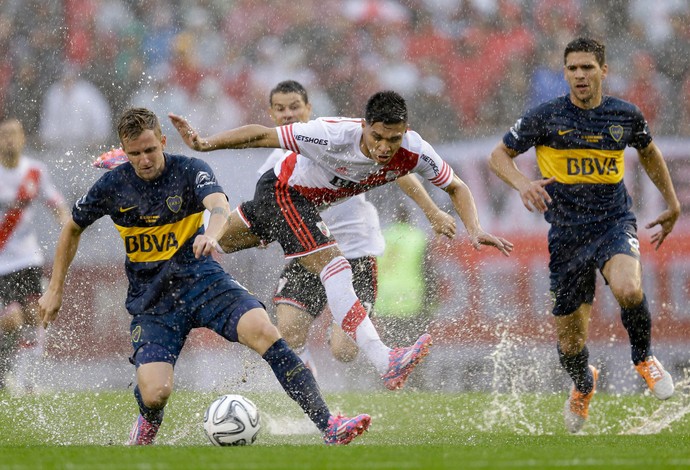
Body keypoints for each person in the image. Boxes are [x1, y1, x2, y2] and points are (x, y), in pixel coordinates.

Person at [38, 108, 370, 446]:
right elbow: (72, 228)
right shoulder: (112, 185)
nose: (145, 160)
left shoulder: (190, 170)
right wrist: (55, 289)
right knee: (156, 393)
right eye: (134, 154)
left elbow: (219, 206)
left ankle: (329, 425)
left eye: (150, 150)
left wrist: (212, 234)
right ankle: (147, 421)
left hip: (202, 281)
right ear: (124, 152)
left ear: (163, 142)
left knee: (264, 330)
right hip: (153, 301)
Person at [169, 90, 513, 391]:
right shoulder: (328, 134)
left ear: (404, 133)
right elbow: (261, 135)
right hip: (284, 192)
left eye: (392, 140)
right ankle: (385, 360)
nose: (383, 147)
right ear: (364, 125)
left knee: (223, 241)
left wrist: (474, 228)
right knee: (333, 264)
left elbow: (456, 186)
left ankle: (171, 240)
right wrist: (204, 144)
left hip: (306, 210)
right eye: (377, 137)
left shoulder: (413, 150)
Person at [488, 37, 680, 434]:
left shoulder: (624, 116)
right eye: (572, 68)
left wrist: (673, 203)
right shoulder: (545, 117)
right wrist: (523, 183)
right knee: (571, 345)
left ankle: (643, 359)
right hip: (566, 236)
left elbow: (648, 151)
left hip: (613, 223)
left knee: (628, 289)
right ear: (565, 73)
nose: (580, 75)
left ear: (603, 71)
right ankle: (583, 384)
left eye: (587, 67)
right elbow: (498, 156)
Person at [260, 80, 456, 377]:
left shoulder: (336, 139)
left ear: (309, 109)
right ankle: (311, 399)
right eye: (280, 109)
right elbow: (272, 209)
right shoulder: (271, 165)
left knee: (344, 351)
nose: (288, 114)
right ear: (271, 114)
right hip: (309, 253)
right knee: (288, 330)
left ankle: (346, 332)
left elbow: (397, 170)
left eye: (295, 107)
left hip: (355, 251)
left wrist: (431, 210)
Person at [0, 118, 69, 392]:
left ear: (23, 138)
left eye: (14, 134)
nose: (9, 140)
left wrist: (67, 229)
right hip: (1, 262)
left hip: (28, 258)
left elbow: (57, 205)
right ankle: (8, 369)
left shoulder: (36, 172)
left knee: (34, 315)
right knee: (12, 318)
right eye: (4, 135)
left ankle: (26, 375)